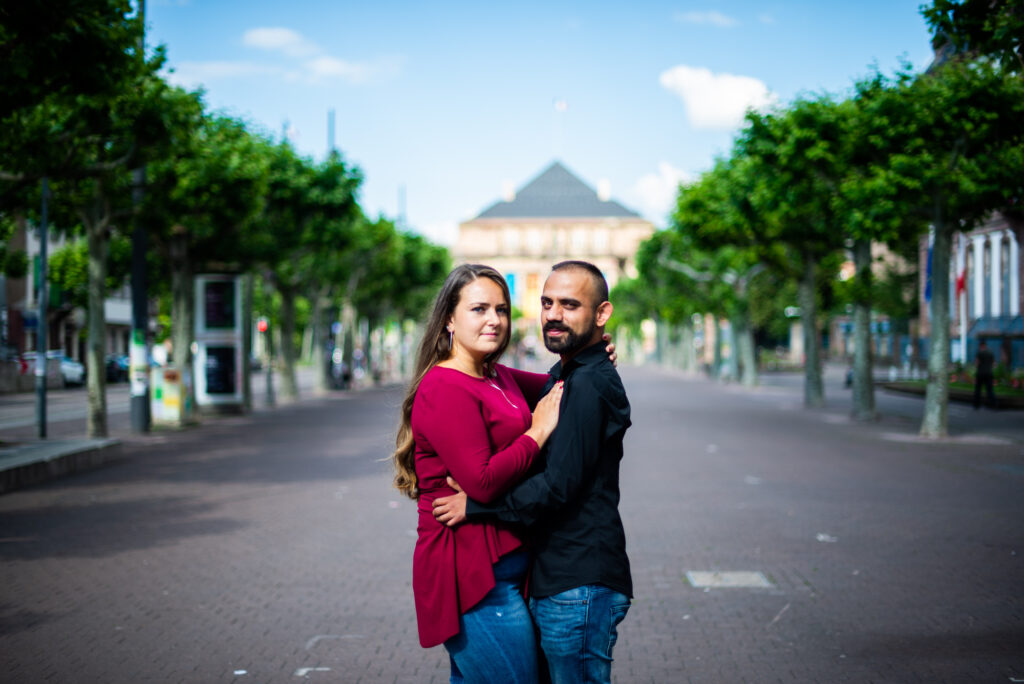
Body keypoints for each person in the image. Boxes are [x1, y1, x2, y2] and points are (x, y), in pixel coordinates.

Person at [434, 260, 633, 684]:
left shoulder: (585, 382)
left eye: (569, 304)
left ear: (601, 314)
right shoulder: (567, 375)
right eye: (546, 303)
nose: (553, 314)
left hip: (576, 581)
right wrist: (592, 350)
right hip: (546, 579)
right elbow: (532, 385)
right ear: (449, 319)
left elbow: (557, 487)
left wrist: (477, 509)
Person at [974, 339, 996, 409]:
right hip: (989, 374)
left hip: (980, 374)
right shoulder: (990, 353)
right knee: (990, 390)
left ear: (981, 346)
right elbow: (994, 364)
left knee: (978, 390)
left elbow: (977, 363)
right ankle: (992, 404)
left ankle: (977, 405)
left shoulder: (979, 353)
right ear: (986, 345)